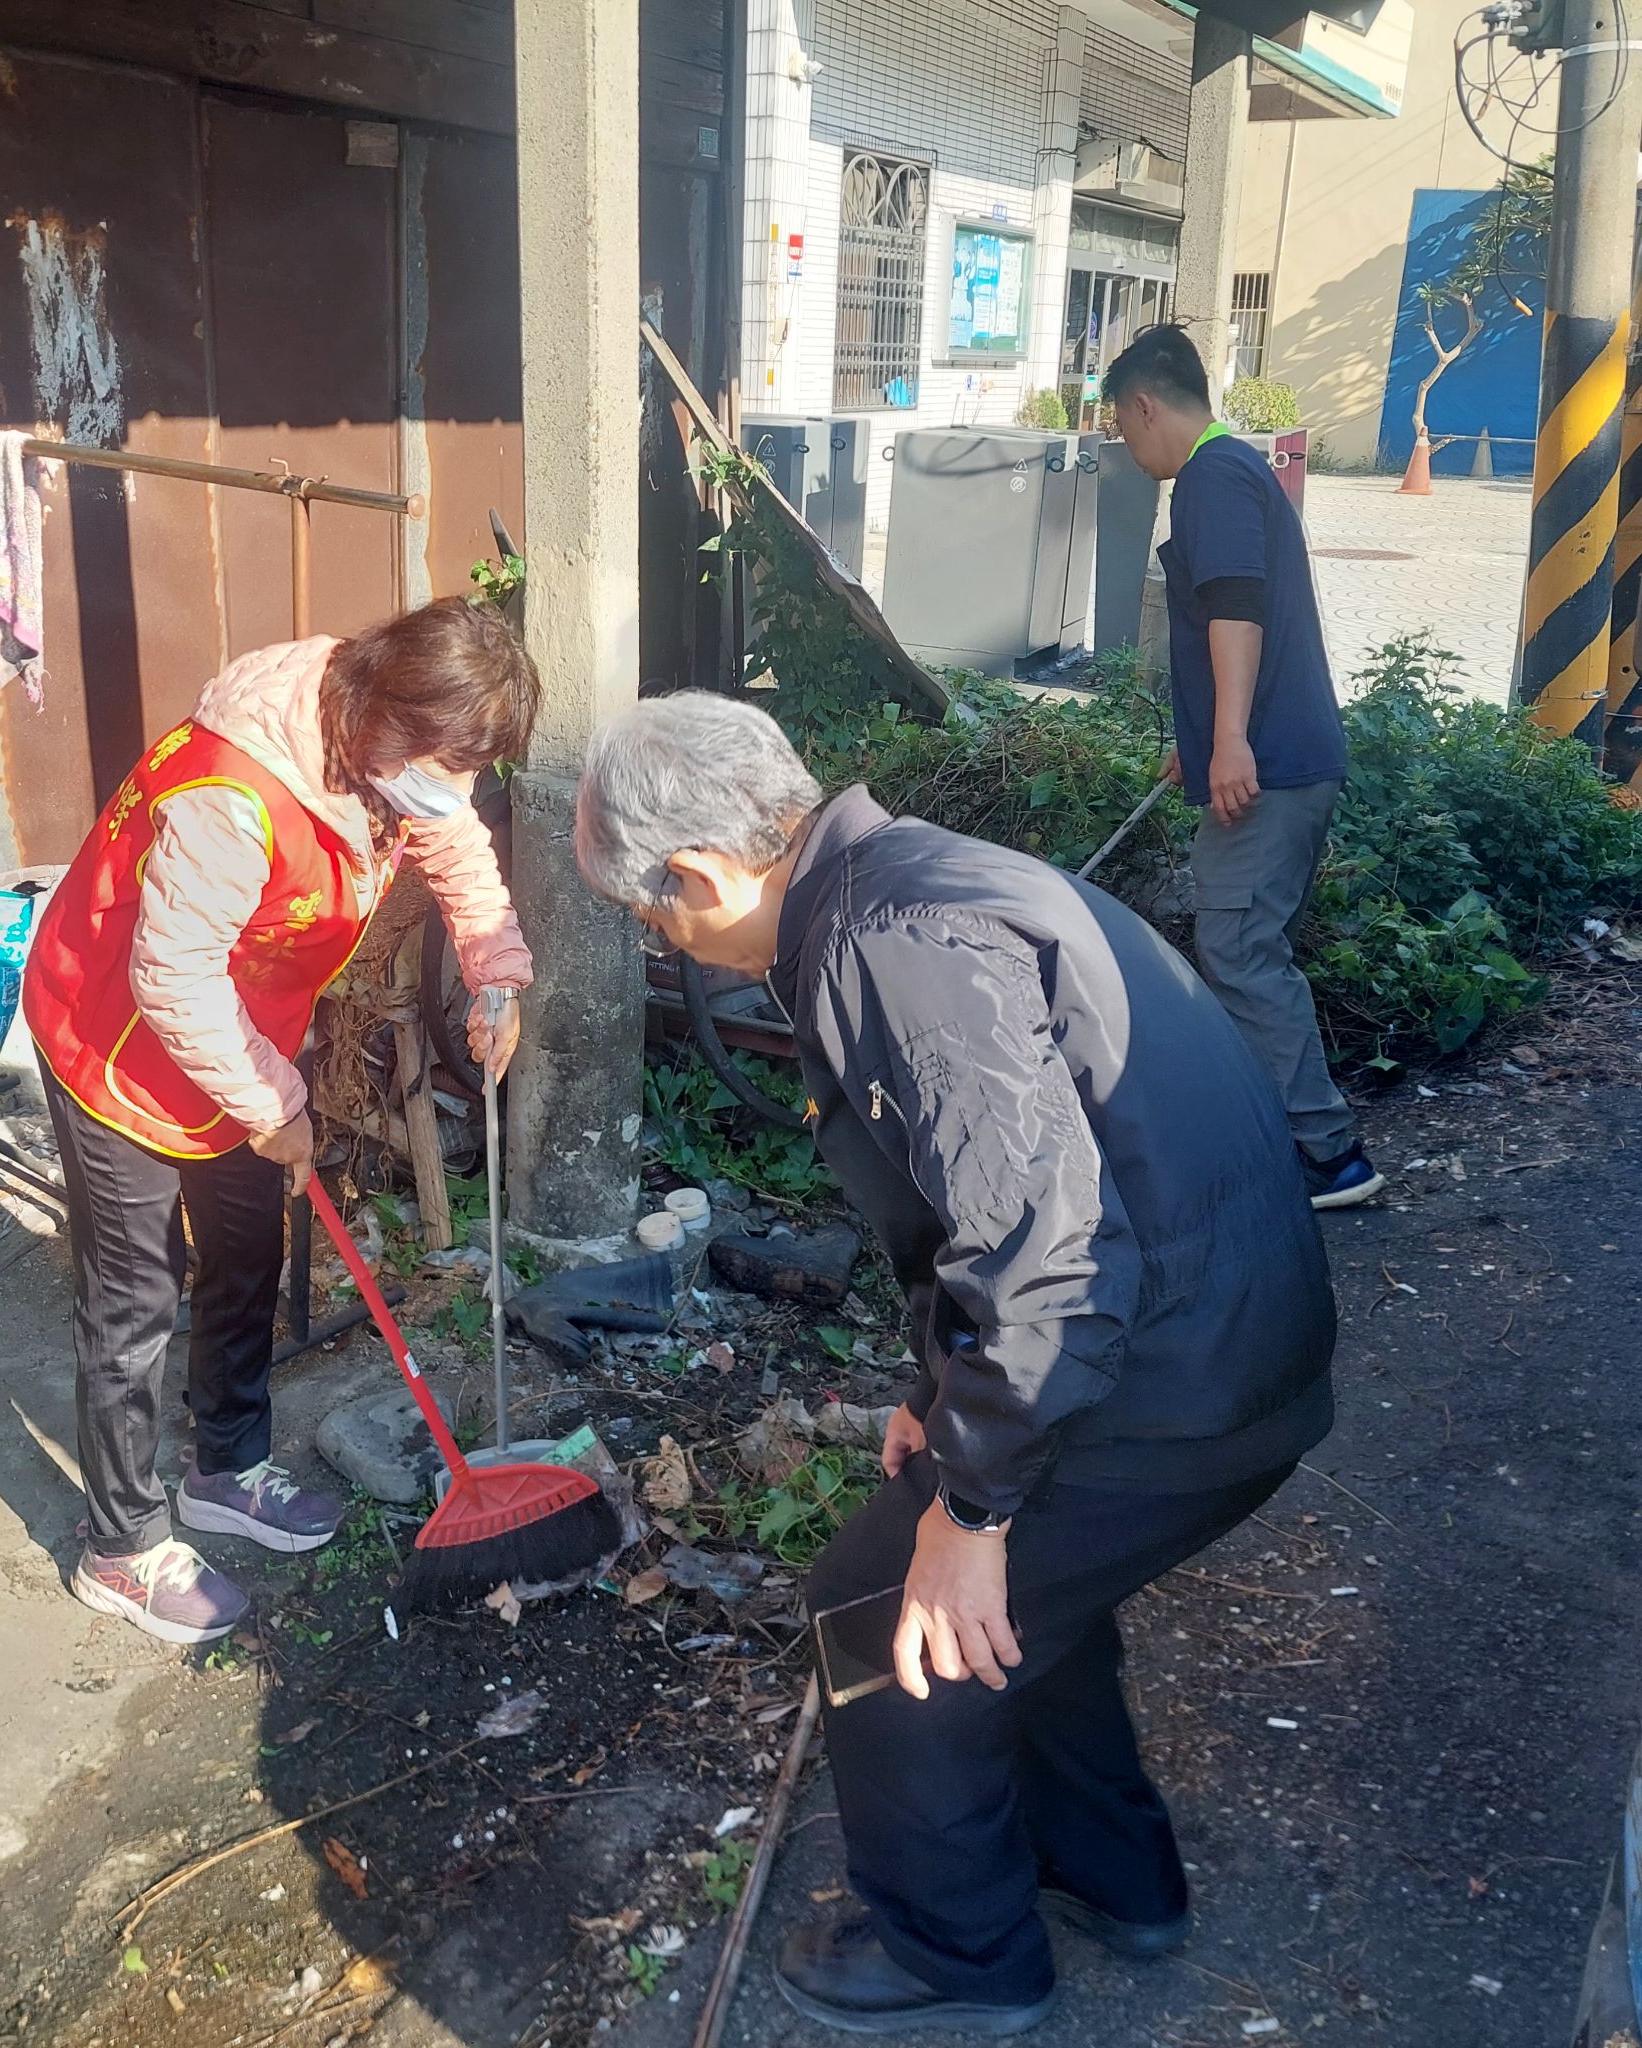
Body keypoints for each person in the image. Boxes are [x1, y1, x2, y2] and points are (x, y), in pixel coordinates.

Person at [575, 694, 1337, 2036]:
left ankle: (960, 1954)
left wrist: (972, 1509)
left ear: (697, 874)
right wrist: (943, 1401)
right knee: (1021, 1598)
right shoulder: (906, 877)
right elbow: (995, 1204)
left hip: (1171, 1377)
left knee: (882, 1603)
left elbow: (1051, 1256)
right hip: (1219, 1340)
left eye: (651, 917)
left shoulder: (887, 944)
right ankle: (1110, 1875)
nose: (664, 941)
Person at [24, 599, 538, 1645]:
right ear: (387, 715)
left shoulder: (382, 750)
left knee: (249, 1250)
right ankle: (120, 1545)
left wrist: (493, 968)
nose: (455, 793)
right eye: (446, 764)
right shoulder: (236, 789)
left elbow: (453, 846)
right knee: (133, 1297)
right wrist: (274, 1107)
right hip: (117, 1031)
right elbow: (173, 978)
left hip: (238, 1034)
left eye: (472, 770)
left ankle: (223, 1465)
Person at [1105, 323, 1384, 1210]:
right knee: (1247, 947)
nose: (1127, 447)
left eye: (1122, 427)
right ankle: (1276, 1135)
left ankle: (1328, 1156)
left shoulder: (1212, 478)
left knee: (1237, 948)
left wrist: (1229, 740)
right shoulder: (1237, 468)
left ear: (1145, 407)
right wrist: (1199, 741)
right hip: (1283, 758)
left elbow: (1236, 608)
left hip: (1270, 768)